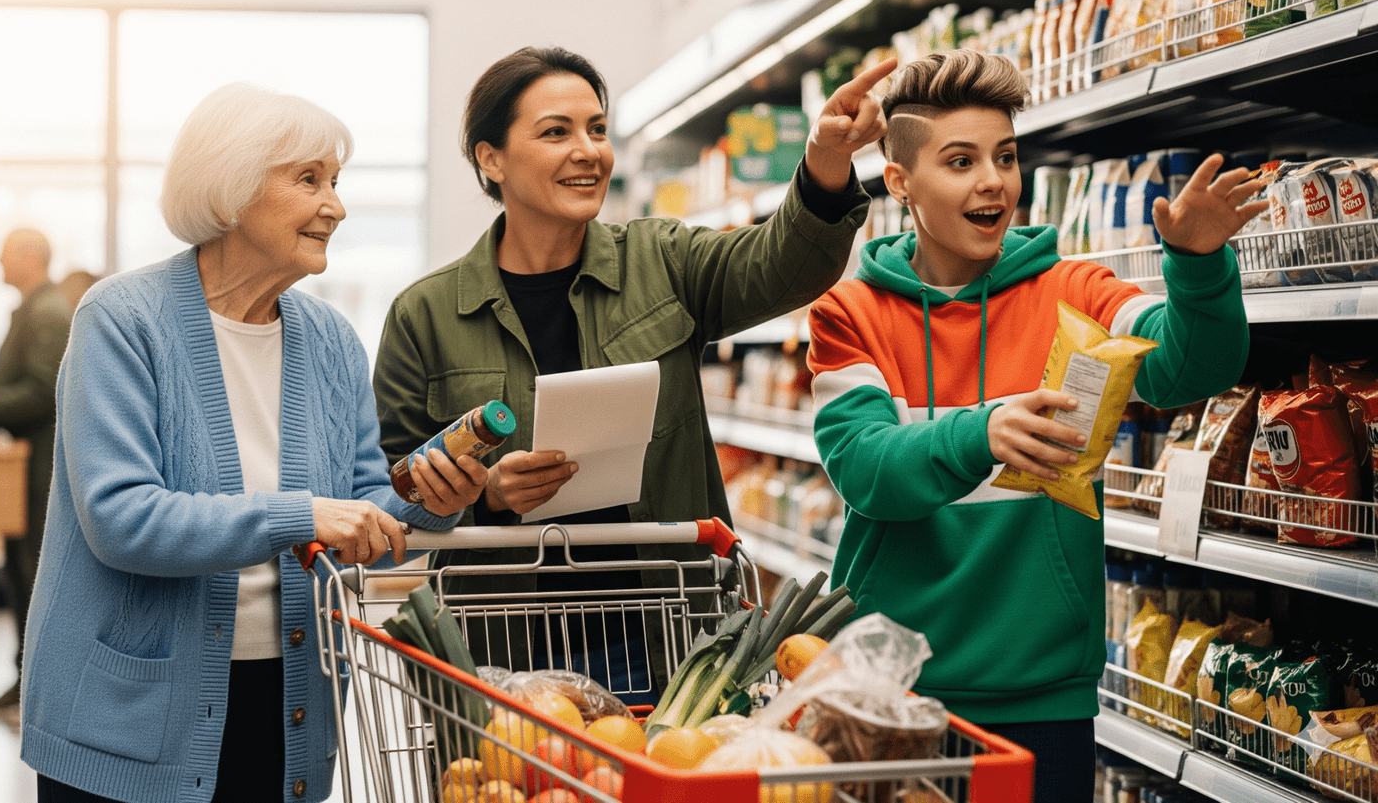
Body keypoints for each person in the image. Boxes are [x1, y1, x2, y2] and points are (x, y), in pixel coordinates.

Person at [805, 49, 1265, 803]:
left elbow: (1189, 370)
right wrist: (981, 434)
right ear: (900, 182)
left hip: (1043, 698)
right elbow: (866, 467)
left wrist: (1198, 263)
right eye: (961, 161)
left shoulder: (1073, 290)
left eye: (1006, 157)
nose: (994, 180)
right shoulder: (849, 313)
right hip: (884, 692)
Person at [371, 46, 892, 696]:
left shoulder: (663, 261)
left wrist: (825, 161)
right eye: (556, 132)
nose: (588, 151)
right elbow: (390, 495)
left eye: (597, 129)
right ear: (491, 158)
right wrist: (487, 495)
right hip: (505, 653)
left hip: (671, 641)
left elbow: (784, 265)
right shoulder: (424, 315)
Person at [20, 82, 483, 803]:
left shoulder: (330, 340)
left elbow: (361, 508)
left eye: (335, 182)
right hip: (129, 713)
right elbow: (121, 518)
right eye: (309, 180)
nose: (335, 206)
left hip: (287, 697)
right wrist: (303, 514)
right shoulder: (121, 319)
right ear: (230, 191)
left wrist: (429, 501)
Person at [0, 229, 72, 721]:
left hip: (42, 468)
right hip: (27, 467)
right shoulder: (35, 310)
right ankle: (27, 680)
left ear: (28, 256)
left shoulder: (47, 313)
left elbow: (43, 391)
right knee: (20, 573)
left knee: (33, 575)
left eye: (4, 252)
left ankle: (41, 690)